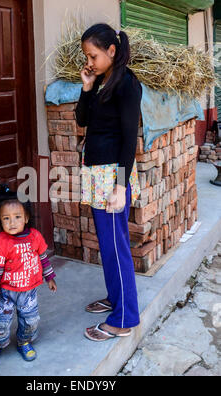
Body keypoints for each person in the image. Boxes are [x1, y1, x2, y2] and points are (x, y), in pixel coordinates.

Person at [75, 23, 142, 341]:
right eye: (88, 56)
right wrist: (87, 86)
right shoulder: (100, 82)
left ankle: (124, 319)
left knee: (118, 248)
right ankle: (116, 300)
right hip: (96, 174)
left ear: (112, 51)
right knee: (109, 245)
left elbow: (130, 139)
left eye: (93, 55)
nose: (90, 61)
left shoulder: (127, 84)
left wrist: (120, 186)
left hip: (113, 175)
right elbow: (82, 119)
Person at [0, 185, 57, 368]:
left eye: (17, 217)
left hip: (29, 291)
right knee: (0, 321)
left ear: (26, 217)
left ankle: (24, 341)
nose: (12, 222)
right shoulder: (1, 241)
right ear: (0, 221)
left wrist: (50, 278)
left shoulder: (35, 237)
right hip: (6, 293)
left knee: (30, 319)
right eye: (6, 218)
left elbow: (43, 258)